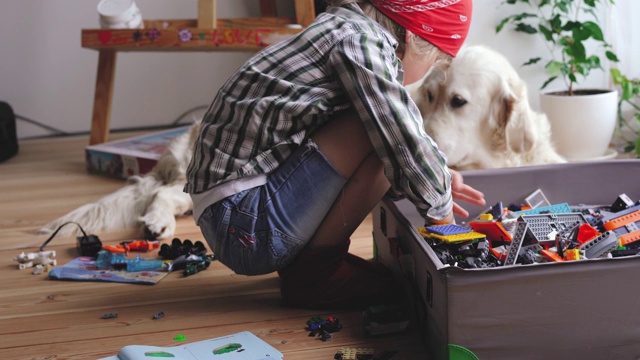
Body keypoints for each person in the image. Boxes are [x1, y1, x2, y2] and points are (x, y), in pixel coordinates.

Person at [184, 0, 485, 309]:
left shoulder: (342, 27)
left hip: (236, 214)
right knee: (380, 130)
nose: (427, 73)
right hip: (244, 223)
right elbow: (402, 136)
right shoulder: (360, 42)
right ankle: (315, 275)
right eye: (435, 61)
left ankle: (311, 266)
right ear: (413, 36)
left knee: (383, 133)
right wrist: (444, 222)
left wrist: (439, 174)